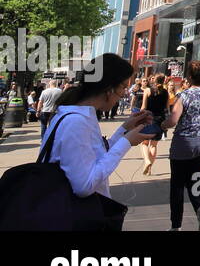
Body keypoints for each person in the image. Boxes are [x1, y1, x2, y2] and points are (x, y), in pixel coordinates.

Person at [40, 54, 155, 210]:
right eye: (123, 87)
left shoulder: (80, 116)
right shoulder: (76, 122)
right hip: (73, 216)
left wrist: (124, 129)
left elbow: (96, 154)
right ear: (109, 89)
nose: (123, 94)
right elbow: (84, 185)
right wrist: (126, 142)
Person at [163, 60, 200, 231]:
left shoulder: (184, 95)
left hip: (183, 144)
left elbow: (173, 120)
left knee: (177, 185)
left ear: (189, 76)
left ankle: (176, 226)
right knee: (196, 178)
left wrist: (162, 125)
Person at [138, 74, 169, 176]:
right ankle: (150, 168)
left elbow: (143, 107)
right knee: (154, 145)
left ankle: (147, 160)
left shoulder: (147, 90)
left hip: (148, 119)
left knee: (144, 143)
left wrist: (138, 117)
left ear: (154, 80)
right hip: (160, 120)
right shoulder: (165, 92)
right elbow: (167, 108)